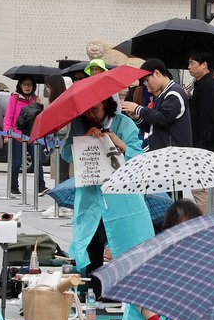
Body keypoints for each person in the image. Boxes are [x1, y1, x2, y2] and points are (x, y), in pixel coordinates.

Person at [62, 97, 152, 294]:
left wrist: (118, 143)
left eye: (94, 108)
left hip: (120, 197)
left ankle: (121, 289)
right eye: (86, 110)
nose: (90, 113)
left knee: (123, 241)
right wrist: (84, 138)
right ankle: (92, 290)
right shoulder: (78, 123)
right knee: (91, 241)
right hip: (90, 195)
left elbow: (137, 156)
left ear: (105, 104)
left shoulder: (123, 123)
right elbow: (66, 154)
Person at [121, 58, 193, 150]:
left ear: (157, 73)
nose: (146, 85)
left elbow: (162, 118)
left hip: (174, 154)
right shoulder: (163, 95)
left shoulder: (174, 94)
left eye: (147, 80)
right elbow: (154, 125)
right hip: (164, 152)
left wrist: (138, 109)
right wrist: (138, 117)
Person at [187, 51, 214, 212]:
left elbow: (206, 119)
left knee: (201, 189)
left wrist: (200, 148)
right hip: (205, 146)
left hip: (205, 147)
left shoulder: (207, 85)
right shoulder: (202, 84)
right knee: (203, 190)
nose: (189, 67)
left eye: (192, 63)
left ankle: (204, 222)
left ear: (204, 65)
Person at [4, 78, 43, 195]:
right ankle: (13, 187)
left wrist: (41, 105)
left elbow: (40, 118)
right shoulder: (14, 98)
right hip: (17, 135)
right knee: (16, 162)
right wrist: (7, 134)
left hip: (32, 135)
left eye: (30, 85)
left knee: (37, 160)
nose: (27, 87)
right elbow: (8, 117)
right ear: (20, 85)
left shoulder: (36, 99)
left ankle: (41, 186)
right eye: (25, 84)